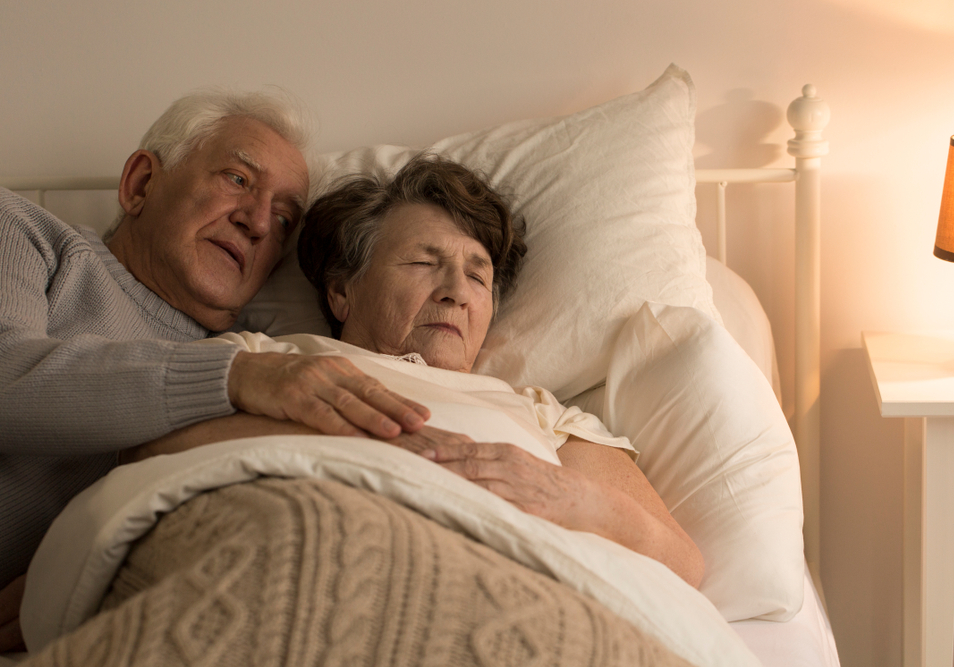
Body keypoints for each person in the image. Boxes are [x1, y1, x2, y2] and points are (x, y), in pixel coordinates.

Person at [123, 155, 706, 588]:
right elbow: (156, 446)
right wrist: (392, 451)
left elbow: (681, 563)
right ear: (342, 292)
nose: (457, 292)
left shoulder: (541, 414)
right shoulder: (267, 357)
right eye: (425, 263)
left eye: (477, 276)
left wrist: (563, 491)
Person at [0, 89, 432, 650]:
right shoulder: (25, 235)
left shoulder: (267, 357)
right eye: (237, 179)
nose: (258, 224)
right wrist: (233, 377)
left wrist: (84, 568)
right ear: (141, 184)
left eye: (283, 219)